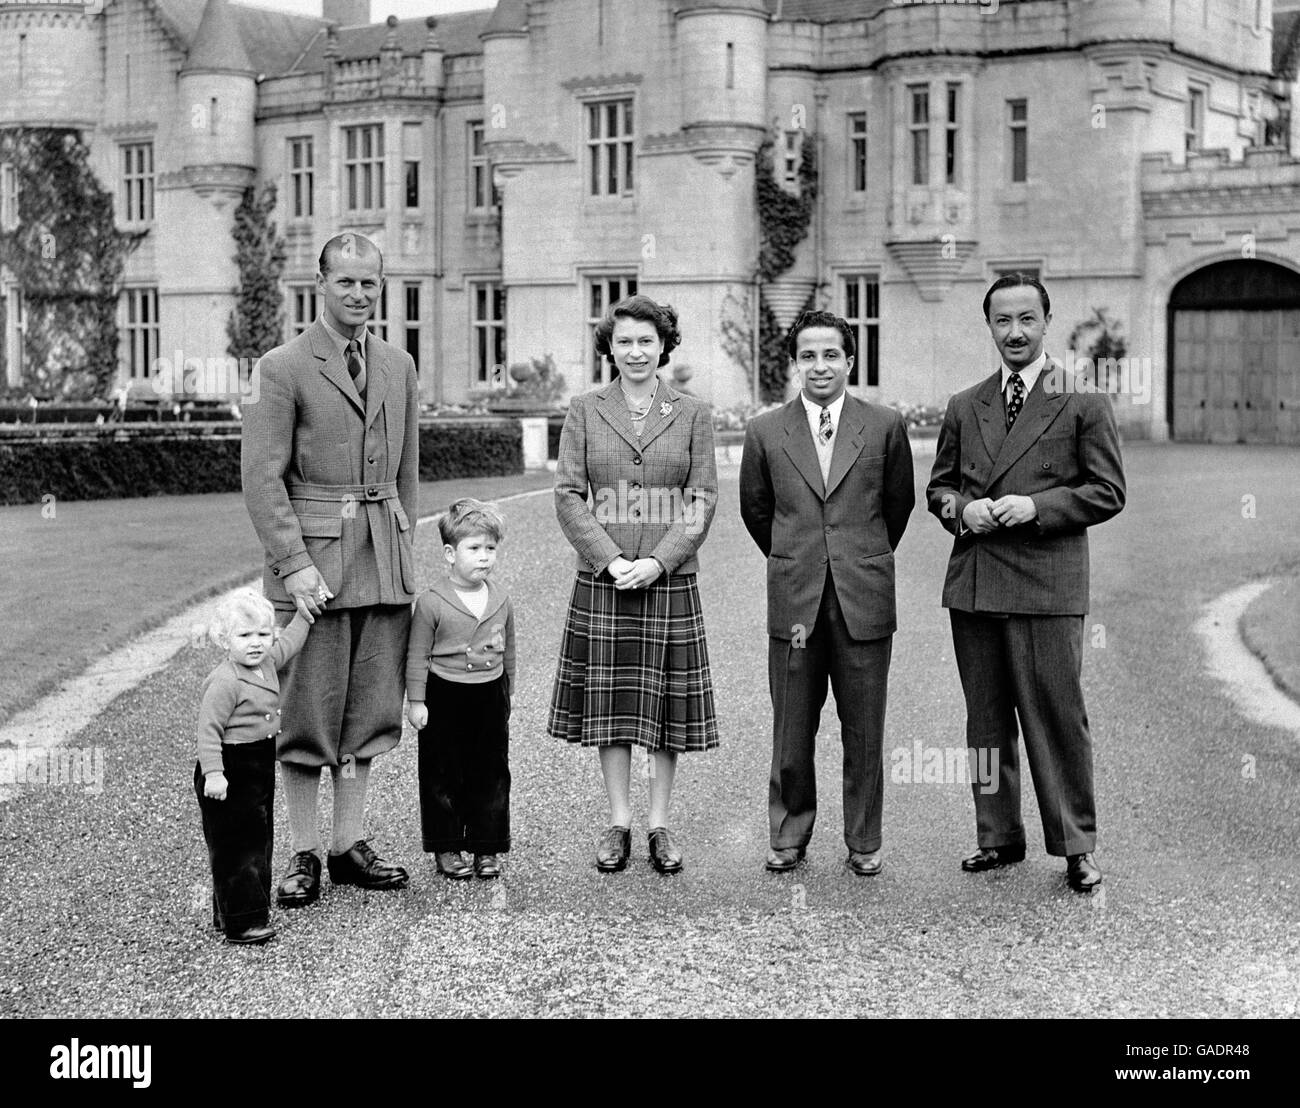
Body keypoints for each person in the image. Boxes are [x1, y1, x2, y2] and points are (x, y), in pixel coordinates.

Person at [926, 273, 1126, 892]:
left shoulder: (1082, 399)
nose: (1014, 332)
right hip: (978, 582)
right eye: (1002, 321)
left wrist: (1038, 508)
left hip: (1048, 583)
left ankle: (1075, 845)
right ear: (989, 327)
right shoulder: (967, 403)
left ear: (1045, 323)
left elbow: (1108, 491)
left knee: (1057, 716)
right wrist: (964, 511)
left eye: (1026, 320)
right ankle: (998, 837)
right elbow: (939, 488)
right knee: (985, 721)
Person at [242, 231, 418, 907]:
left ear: (381, 285)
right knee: (305, 714)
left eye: (369, 282)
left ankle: (347, 847)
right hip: (313, 567)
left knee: (368, 712)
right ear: (320, 283)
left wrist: (404, 554)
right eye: (344, 281)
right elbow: (262, 480)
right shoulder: (280, 367)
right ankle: (305, 853)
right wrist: (293, 567)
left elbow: (406, 475)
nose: (358, 293)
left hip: (381, 558)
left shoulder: (399, 364)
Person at [740, 310, 915, 876]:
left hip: (862, 598)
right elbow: (757, 510)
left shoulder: (885, 425)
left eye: (831, 354)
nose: (820, 366)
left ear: (850, 360)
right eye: (808, 356)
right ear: (795, 363)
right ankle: (789, 832)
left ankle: (864, 840)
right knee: (792, 727)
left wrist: (856, 556)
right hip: (795, 598)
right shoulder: (766, 430)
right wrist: (799, 557)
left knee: (864, 728)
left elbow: (898, 505)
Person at [548, 294, 718, 875]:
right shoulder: (585, 409)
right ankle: (619, 821)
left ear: (664, 346)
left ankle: (659, 824)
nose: (636, 351)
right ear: (609, 348)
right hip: (606, 579)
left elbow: (701, 501)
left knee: (667, 708)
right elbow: (569, 495)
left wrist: (661, 560)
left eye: (647, 340)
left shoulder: (693, 413)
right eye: (625, 341)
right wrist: (609, 558)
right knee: (613, 705)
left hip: (668, 581)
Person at [405, 499, 515, 880]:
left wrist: (507, 692)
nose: (484, 557)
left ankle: (487, 847)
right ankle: (446, 845)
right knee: (442, 772)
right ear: (450, 554)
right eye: (474, 548)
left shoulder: (499, 597)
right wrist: (416, 700)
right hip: (444, 694)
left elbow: (509, 647)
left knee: (490, 771)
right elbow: (417, 655)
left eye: (490, 548)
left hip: (488, 693)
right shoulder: (432, 602)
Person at [194, 590, 312, 945]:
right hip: (230, 767)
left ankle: (235, 911)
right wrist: (214, 772)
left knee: (258, 836)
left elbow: (290, 643)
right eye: (245, 636)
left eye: (263, 634)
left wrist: (304, 616)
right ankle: (241, 921)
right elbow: (208, 730)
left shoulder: (266, 664)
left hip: (258, 762)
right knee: (236, 845)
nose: (256, 643)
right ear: (224, 640)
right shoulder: (226, 680)